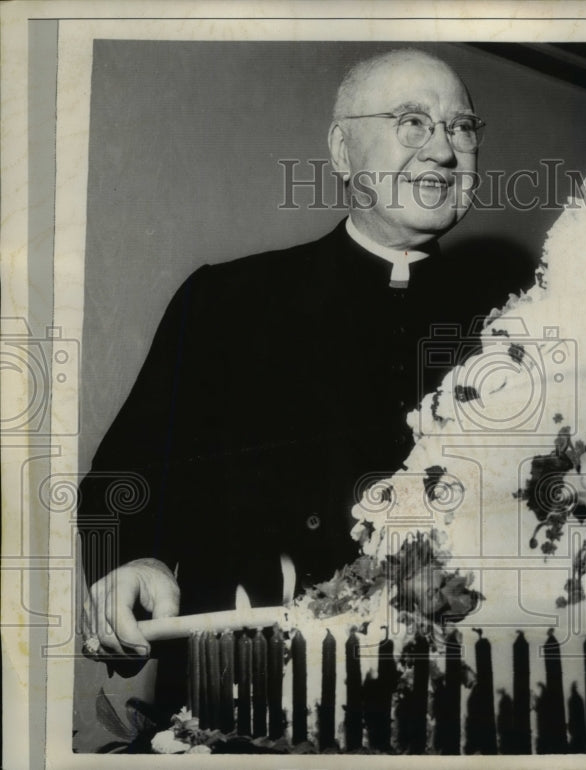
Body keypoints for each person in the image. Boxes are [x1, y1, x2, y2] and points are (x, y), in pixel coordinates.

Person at [77, 49, 527, 674]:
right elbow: (126, 474)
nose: (443, 152)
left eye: (461, 127)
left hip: (457, 688)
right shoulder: (228, 300)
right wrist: (135, 559)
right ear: (343, 153)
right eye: (413, 123)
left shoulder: (516, 326)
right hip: (251, 687)